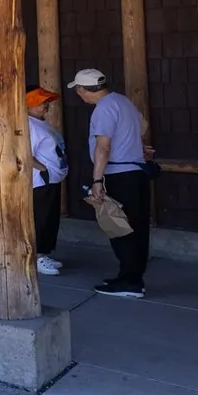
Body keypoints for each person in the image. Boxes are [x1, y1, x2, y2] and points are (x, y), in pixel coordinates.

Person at [69, 68, 153, 297]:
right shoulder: (122, 101)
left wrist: (97, 179)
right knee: (136, 228)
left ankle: (130, 283)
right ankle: (131, 277)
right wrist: (134, 144)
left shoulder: (103, 109)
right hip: (136, 172)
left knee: (120, 228)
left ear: (83, 90)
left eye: (79, 90)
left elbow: (103, 147)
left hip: (118, 174)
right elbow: (143, 126)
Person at [26, 87, 68, 276]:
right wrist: (44, 170)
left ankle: (44, 252)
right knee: (41, 219)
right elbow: (25, 154)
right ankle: (36, 256)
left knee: (50, 218)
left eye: (46, 102)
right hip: (42, 180)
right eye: (41, 102)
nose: (46, 106)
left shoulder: (41, 123)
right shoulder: (30, 125)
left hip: (51, 179)